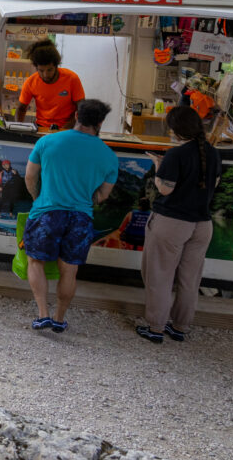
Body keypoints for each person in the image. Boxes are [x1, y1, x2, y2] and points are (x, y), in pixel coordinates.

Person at [22, 99, 118, 333]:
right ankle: (59, 318)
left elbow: (30, 177)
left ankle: (42, 314)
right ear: (101, 122)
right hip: (80, 218)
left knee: (36, 261)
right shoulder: (109, 156)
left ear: (76, 115)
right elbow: (103, 195)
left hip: (46, 212)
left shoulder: (47, 141)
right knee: (70, 270)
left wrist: (38, 199)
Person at [137, 106, 221, 343]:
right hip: (202, 225)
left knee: (159, 275)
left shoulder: (175, 155)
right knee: (189, 279)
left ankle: (155, 328)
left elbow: (165, 188)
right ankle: (180, 327)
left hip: (172, 223)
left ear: (176, 129)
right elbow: (213, 182)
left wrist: (158, 166)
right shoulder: (213, 153)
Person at [13, 39, 85, 130]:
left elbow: (82, 109)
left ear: (56, 66)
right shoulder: (30, 82)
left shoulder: (72, 79)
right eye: (41, 70)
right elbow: (21, 109)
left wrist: (63, 130)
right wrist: (18, 129)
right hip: (42, 128)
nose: (46, 75)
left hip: (68, 128)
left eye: (49, 70)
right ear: (36, 68)